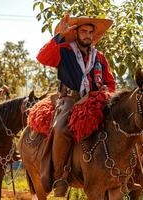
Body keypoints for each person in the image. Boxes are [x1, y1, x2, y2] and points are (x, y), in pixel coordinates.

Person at [36, 14, 116, 197]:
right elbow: (42, 57)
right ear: (76, 33)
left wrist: (107, 91)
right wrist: (58, 37)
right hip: (70, 100)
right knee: (61, 128)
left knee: (124, 121)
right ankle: (59, 178)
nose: (87, 35)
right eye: (83, 31)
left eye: (90, 32)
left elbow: (111, 82)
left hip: (97, 100)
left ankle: (131, 173)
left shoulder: (100, 57)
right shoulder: (64, 50)